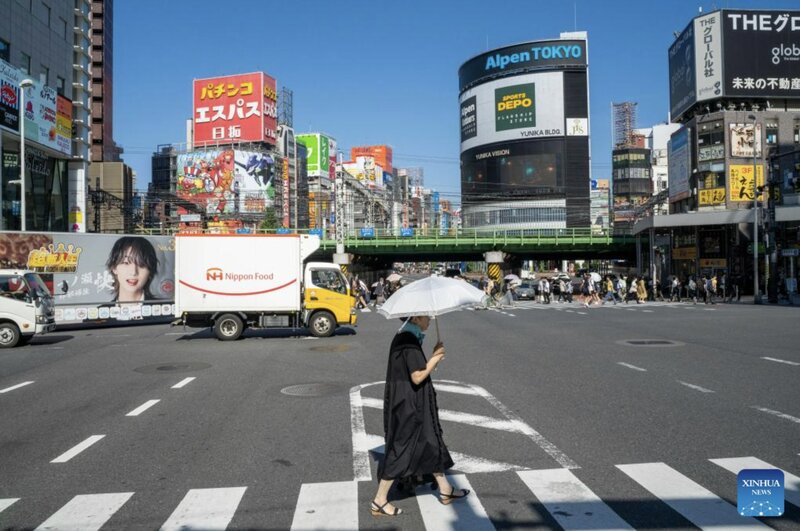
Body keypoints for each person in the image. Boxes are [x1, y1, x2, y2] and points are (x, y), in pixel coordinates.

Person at [371, 316, 469, 516]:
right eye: (426, 316)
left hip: (409, 403)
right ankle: (379, 500)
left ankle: (445, 489)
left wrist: (432, 358)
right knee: (402, 449)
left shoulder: (405, 336)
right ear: (416, 318)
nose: (430, 319)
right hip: (410, 406)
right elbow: (417, 376)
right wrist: (435, 357)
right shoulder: (408, 341)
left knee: (430, 443)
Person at [106, 236, 159, 302]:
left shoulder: (167, 310)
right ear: (114, 268)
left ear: (150, 271)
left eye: (141, 265)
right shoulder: (100, 311)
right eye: (126, 263)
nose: (133, 272)